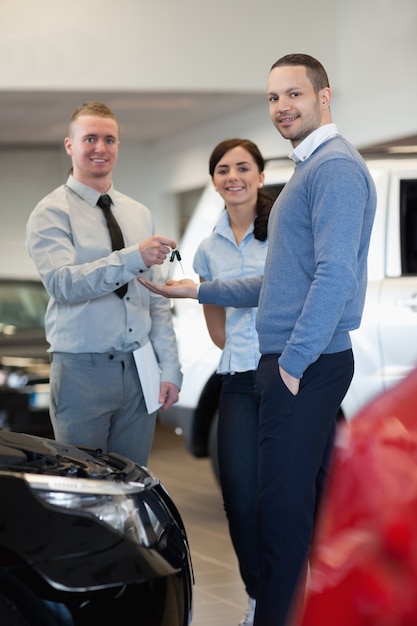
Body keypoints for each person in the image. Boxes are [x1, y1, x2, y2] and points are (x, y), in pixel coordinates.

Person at [139, 54, 377, 626]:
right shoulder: (310, 168)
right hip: (301, 363)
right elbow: (282, 279)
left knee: (278, 518)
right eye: (273, 98)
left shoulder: (334, 169)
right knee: (306, 513)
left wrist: (292, 361)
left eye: (294, 94)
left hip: (305, 364)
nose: (281, 107)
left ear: (324, 96)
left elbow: (335, 275)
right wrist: (200, 291)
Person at [26, 101, 182, 466]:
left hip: (140, 365)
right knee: (84, 486)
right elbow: (63, 284)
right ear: (70, 145)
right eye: (90, 138)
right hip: (82, 369)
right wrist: (133, 257)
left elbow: (156, 299)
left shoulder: (138, 213)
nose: (100, 148)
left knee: (134, 482)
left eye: (109, 139)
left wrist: (170, 367)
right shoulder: (50, 212)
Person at [194, 138, 273, 626]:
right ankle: (258, 595)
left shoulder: (285, 233)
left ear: (261, 176)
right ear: (215, 180)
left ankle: (295, 587)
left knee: (289, 495)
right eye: (223, 169)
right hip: (239, 381)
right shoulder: (208, 249)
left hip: (290, 377)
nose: (233, 176)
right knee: (240, 498)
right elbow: (217, 325)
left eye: (243, 167)